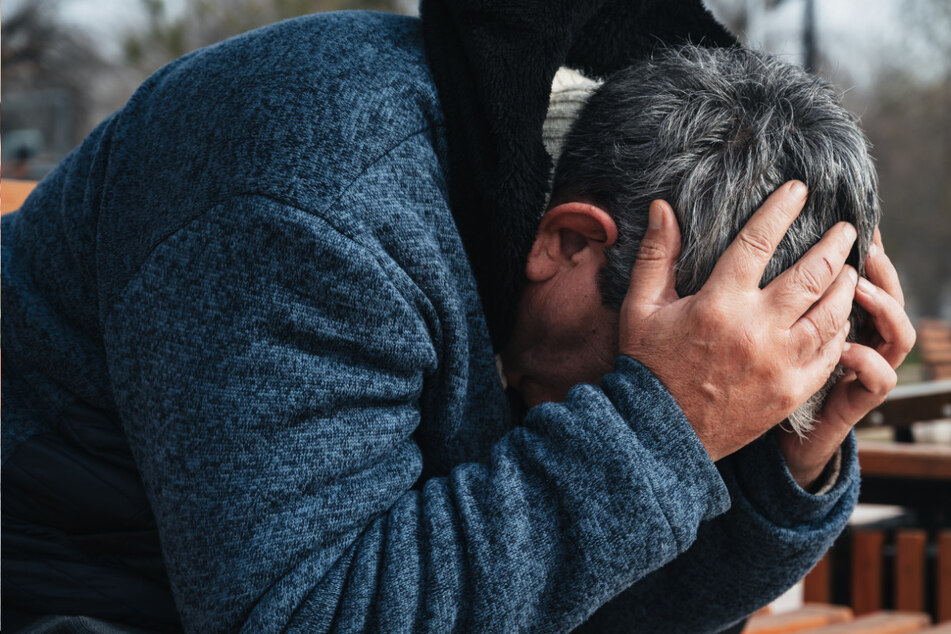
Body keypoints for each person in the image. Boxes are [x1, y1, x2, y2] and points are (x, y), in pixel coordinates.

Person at [1, 9, 913, 634]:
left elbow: (571, 605)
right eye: (643, 362)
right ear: (568, 241)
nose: (633, 393)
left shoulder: (538, 194)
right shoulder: (311, 210)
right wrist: (662, 426)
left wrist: (771, 463)